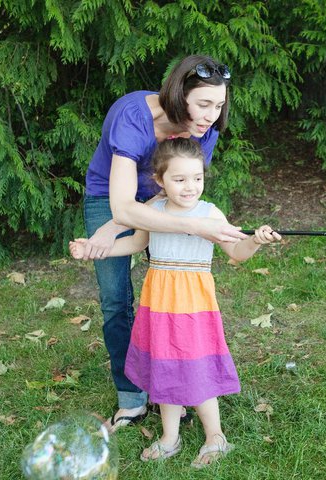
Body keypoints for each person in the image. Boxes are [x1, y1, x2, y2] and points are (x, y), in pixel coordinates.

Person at [71, 137, 281, 466]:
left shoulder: (210, 213)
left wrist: (255, 240)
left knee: (197, 365)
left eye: (196, 178)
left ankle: (216, 436)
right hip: (159, 303)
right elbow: (136, 244)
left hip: (194, 305)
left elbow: (237, 254)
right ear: (160, 180)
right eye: (179, 179)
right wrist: (96, 249)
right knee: (163, 365)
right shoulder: (153, 211)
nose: (189, 187)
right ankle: (170, 437)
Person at [81, 54, 248, 431]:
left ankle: (170, 388)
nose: (211, 116)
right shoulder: (132, 117)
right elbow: (122, 205)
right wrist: (114, 223)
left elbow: (179, 189)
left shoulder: (206, 129)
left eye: (219, 105)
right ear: (178, 94)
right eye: (203, 104)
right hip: (107, 197)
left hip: (155, 201)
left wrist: (195, 225)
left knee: (169, 302)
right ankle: (131, 396)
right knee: (115, 299)